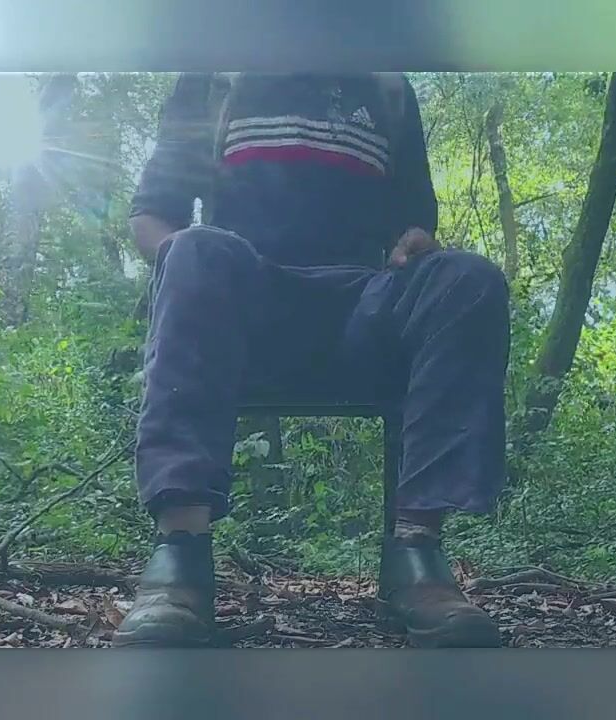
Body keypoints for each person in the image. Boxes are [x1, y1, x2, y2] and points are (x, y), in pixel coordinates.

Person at [114, 73, 510, 648]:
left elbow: (415, 224)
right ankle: (180, 561)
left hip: (361, 314)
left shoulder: (387, 86)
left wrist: (413, 242)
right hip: (245, 312)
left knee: (468, 278)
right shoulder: (213, 76)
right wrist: (183, 262)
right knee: (193, 249)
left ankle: (418, 556)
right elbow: (153, 216)